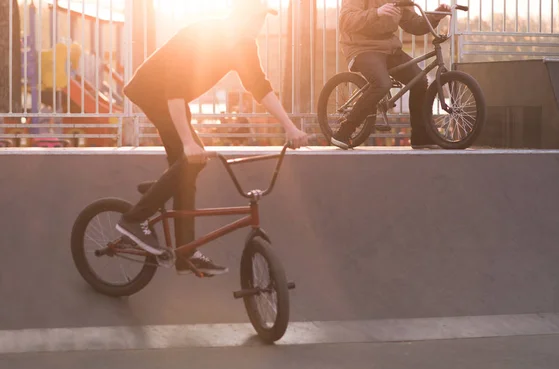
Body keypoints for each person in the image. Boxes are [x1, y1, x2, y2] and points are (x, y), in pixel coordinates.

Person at [116, 0, 309, 276]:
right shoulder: (204, 36)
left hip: (173, 99)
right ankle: (133, 219)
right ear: (239, 16)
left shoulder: (244, 46)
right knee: (192, 159)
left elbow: (259, 87)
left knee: (187, 169)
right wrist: (188, 142)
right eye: (255, 19)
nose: (259, 26)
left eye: (262, 20)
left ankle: (185, 251)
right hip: (153, 92)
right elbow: (174, 90)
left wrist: (290, 127)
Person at [332, 0, 451, 150]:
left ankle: (420, 136)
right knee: (382, 84)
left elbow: (413, 23)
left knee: (419, 80)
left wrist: (435, 16)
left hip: (389, 48)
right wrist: (377, 12)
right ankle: (344, 131)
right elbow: (346, 20)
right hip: (361, 47)